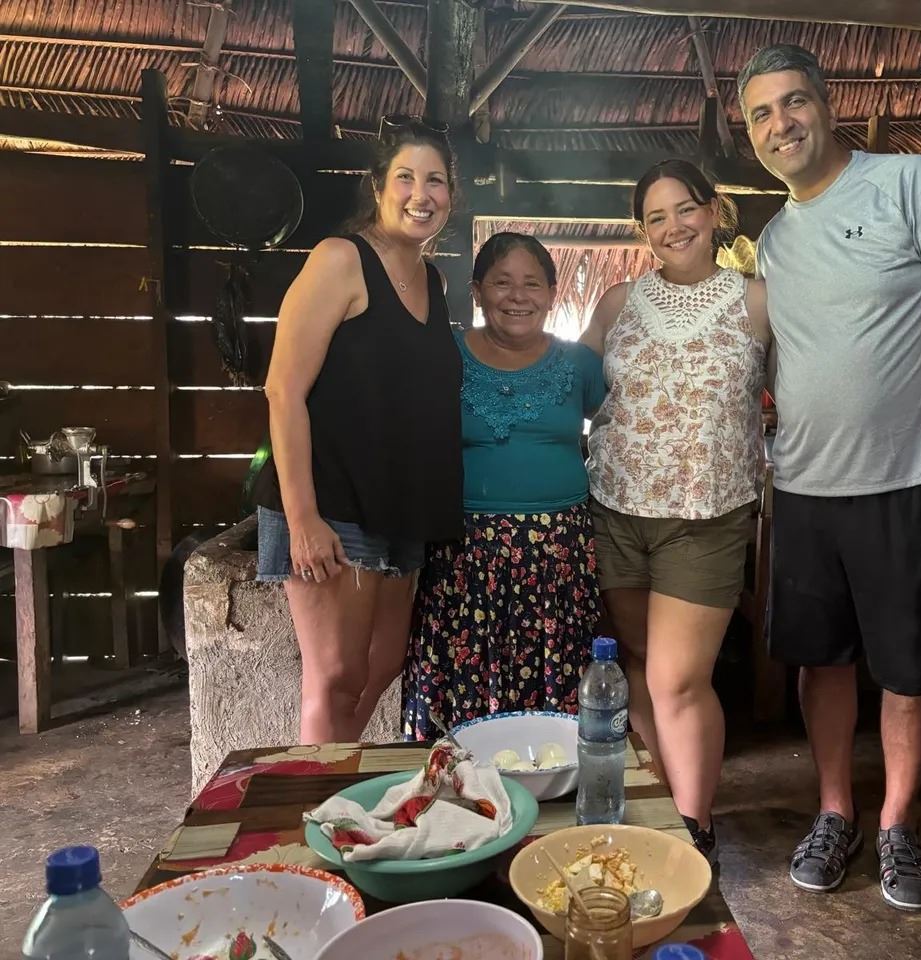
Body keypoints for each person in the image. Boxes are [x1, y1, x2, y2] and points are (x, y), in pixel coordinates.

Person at [737, 44, 921, 910]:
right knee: (821, 663)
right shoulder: (773, 241)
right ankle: (835, 812)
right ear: (751, 136)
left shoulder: (909, 183)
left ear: (827, 106)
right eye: (761, 114)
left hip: (906, 480)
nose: (781, 123)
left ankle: (897, 824)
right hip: (804, 488)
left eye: (793, 102)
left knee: (909, 667)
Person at [580, 159, 770, 863]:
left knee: (678, 679)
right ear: (643, 231)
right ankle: (661, 804)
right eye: (655, 217)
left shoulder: (758, 301)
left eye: (685, 209)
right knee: (637, 661)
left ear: (713, 211)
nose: (673, 227)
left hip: (706, 515)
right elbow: (569, 387)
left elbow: (799, 397)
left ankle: (694, 831)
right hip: (615, 509)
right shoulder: (618, 302)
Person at [256, 117, 463, 745]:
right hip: (334, 502)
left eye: (436, 180)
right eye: (406, 177)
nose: (421, 194)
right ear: (378, 187)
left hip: (400, 507)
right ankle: (317, 795)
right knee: (337, 676)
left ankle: (326, 782)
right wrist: (302, 519)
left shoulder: (434, 281)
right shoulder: (341, 260)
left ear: (451, 195)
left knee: (382, 664)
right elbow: (283, 389)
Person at [403, 233, 606, 734]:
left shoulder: (580, 364)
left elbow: (619, 428)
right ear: (476, 291)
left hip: (558, 556)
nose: (518, 296)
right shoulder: (445, 356)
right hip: (465, 554)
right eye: (502, 283)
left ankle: (551, 773)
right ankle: (460, 777)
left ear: (552, 294)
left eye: (532, 284)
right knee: (463, 676)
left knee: (554, 677)